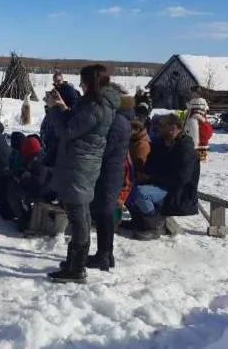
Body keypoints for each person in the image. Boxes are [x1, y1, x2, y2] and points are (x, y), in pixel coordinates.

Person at [46, 64, 115, 284]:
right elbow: (76, 123)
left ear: (91, 83)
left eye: (83, 81)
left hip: (80, 166)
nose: (80, 84)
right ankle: (75, 263)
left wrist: (55, 110)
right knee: (79, 213)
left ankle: (76, 268)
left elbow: (68, 131)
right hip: (80, 164)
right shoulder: (94, 103)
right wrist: (62, 106)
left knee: (78, 216)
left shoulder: (97, 107)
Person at [130, 114, 200, 240]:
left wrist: (150, 178)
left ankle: (154, 226)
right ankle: (139, 221)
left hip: (177, 191)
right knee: (128, 187)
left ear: (172, 128)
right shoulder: (160, 143)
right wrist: (143, 175)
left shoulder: (185, 147)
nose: (157, 128)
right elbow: (151, 163)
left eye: (161, 126)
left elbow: (181, 178)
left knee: (141, 193)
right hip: (159, 183)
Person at [87, 84, 132, 272]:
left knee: (105, 213)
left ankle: (103, 255)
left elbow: (107, 148)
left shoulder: (118, 122)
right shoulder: (120, 119)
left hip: (109, 173)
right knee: (104, 212)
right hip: (111, 171)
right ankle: (107, 254)